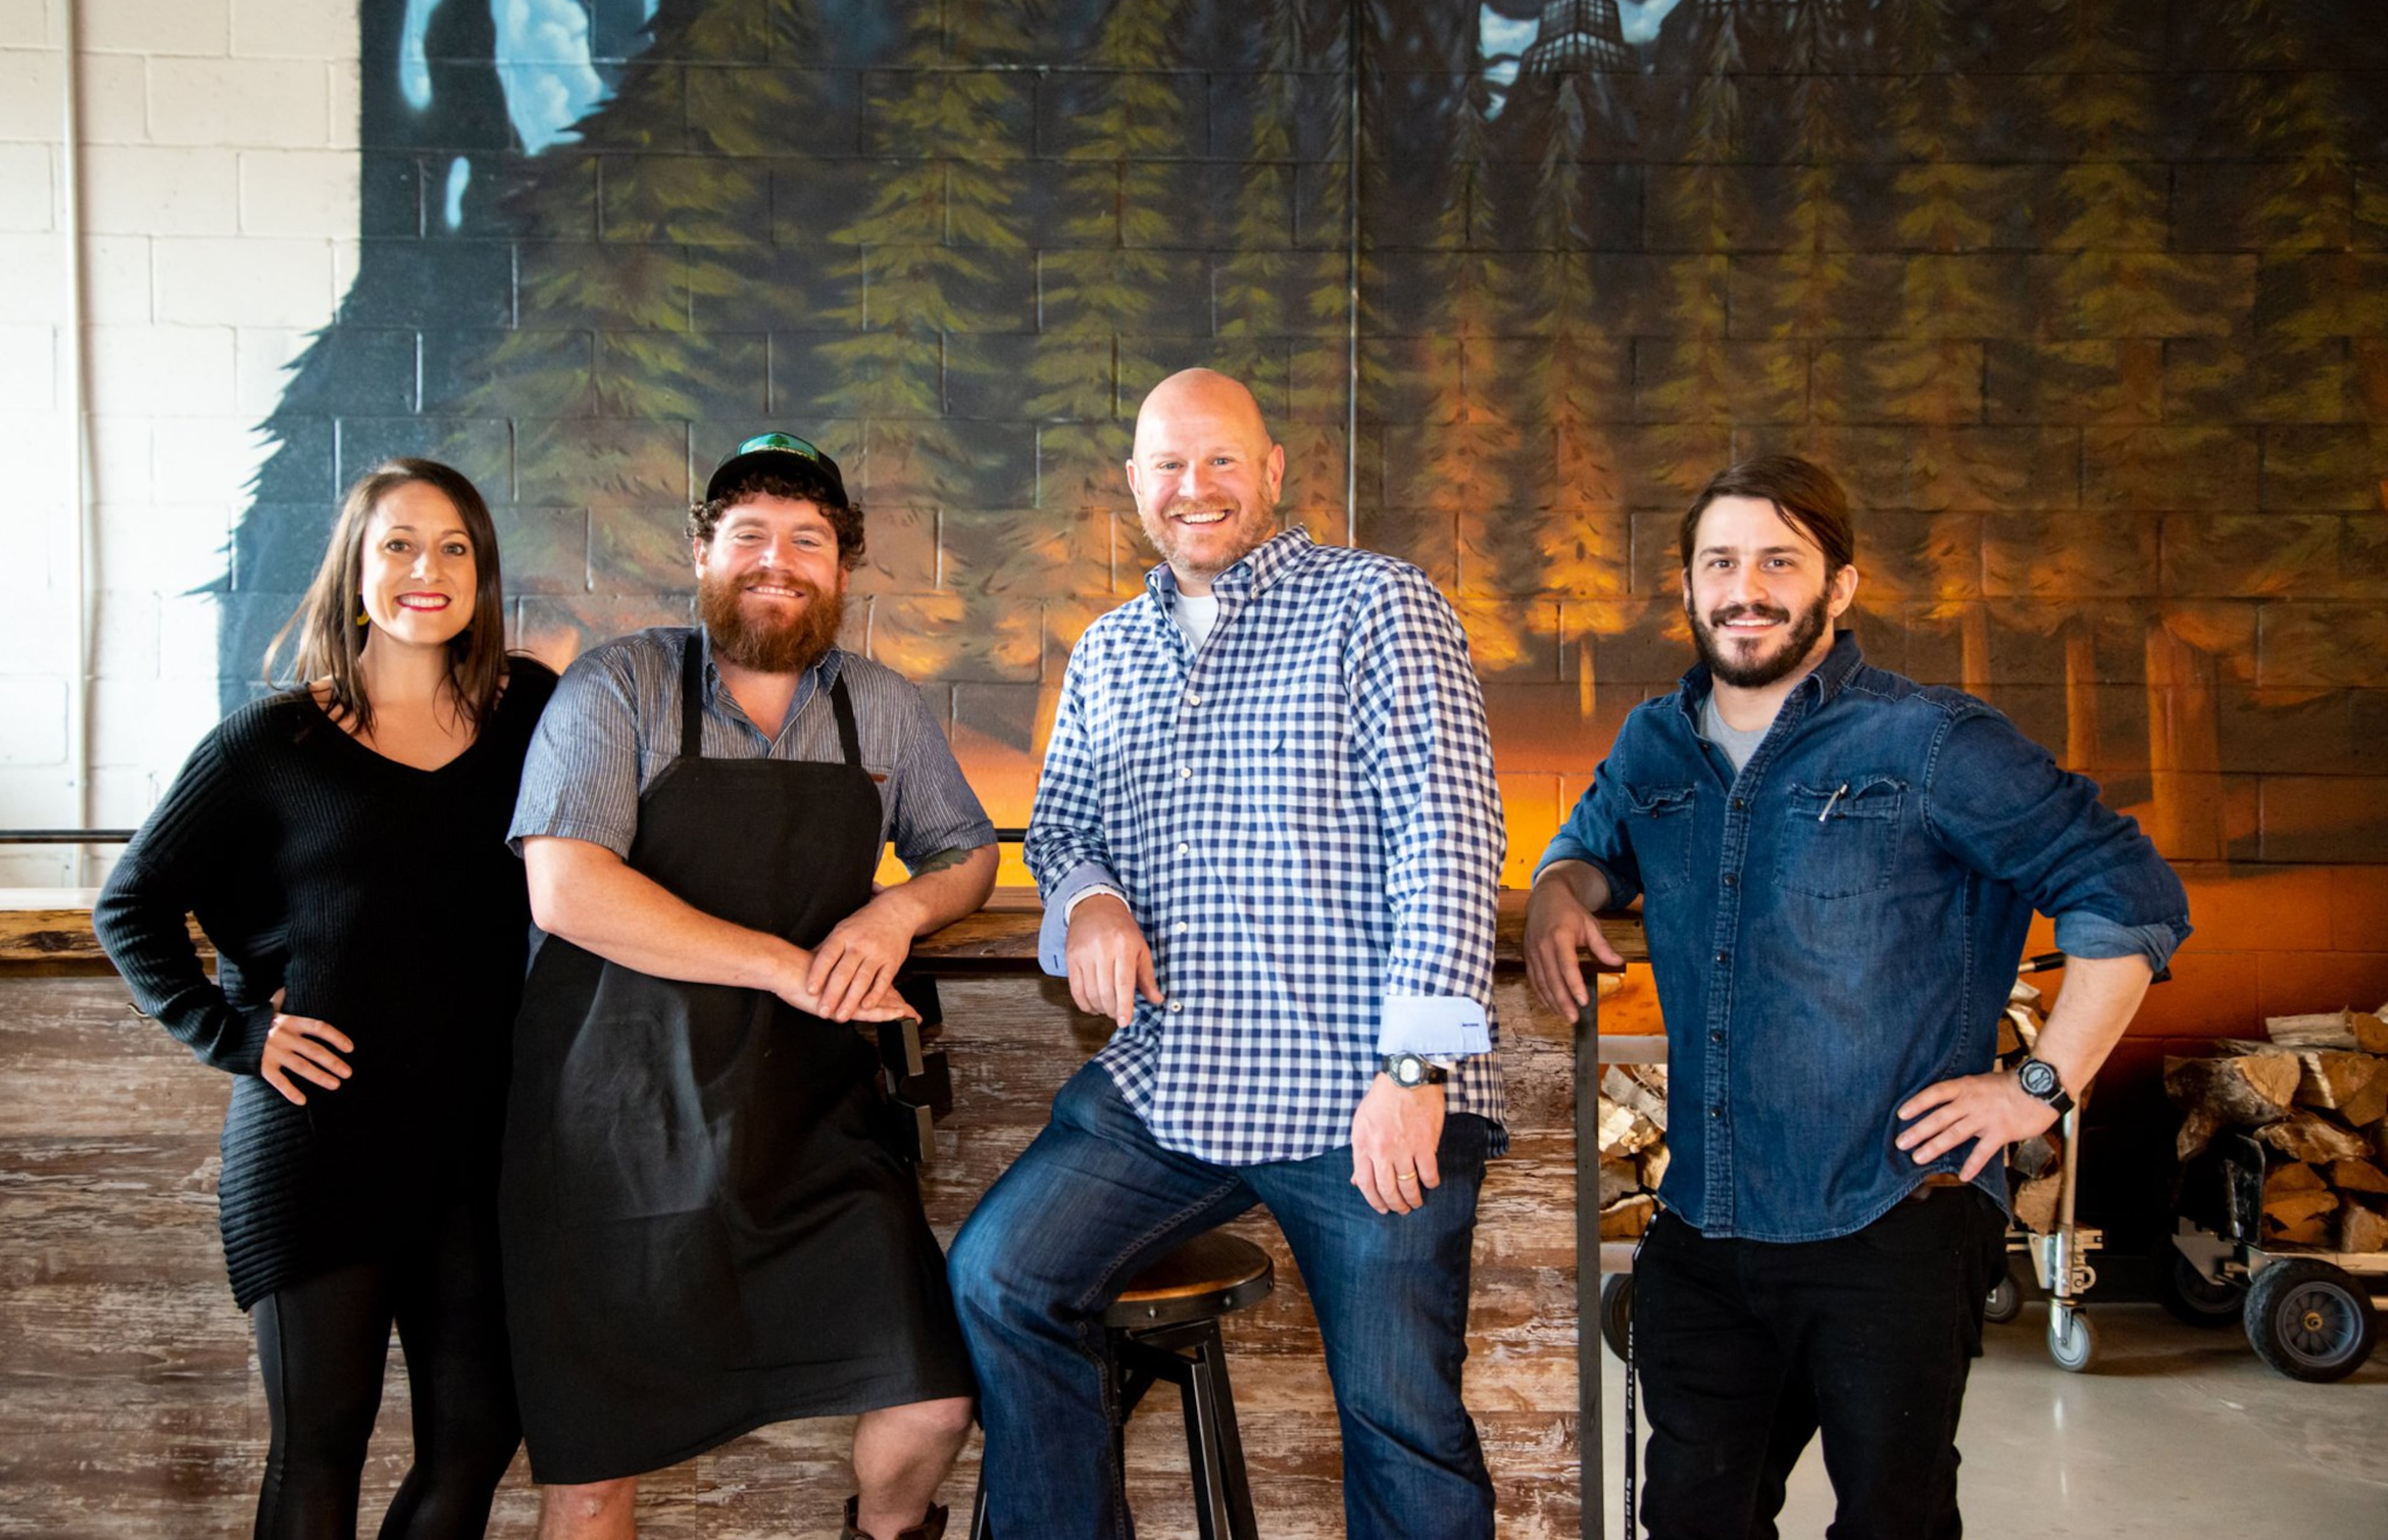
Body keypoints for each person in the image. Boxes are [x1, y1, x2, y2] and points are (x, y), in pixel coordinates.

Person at [1524, 454, 2191, 1539]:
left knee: (1894, 1522)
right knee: (1692, 1521)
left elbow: (2129, 891)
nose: (1748, 589)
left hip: (1890, 1226)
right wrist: (1563, 887)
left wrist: (2037, 1086)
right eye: (1721, 562)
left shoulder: (1931, 742)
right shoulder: (1655, 740)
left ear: (1839, 587)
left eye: (1780, 562)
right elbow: (1590, 842)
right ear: (1688, 587)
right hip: (1707, 1222)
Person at [948, 368, 1508, 1540]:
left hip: (1364, 1093)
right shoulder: (1110, 650)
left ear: (1272, 473)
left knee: (1401, 1417)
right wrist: (1090, 898)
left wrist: (1417, 1076)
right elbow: (1061, 826)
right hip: (1175, 1079)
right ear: (1134, 486)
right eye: (1166, 465)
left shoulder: (1379, 604)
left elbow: (1451, 835)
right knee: (1000, 1279)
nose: (1192, 488)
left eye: (1218, 461)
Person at [500, 433, 997, 1540]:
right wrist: (786, 964)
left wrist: (896, 910)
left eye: (807, 541)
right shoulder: (616, 685)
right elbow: (567, 890)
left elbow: (966, 852)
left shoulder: (882, 706)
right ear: (702, 553)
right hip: (613, 1130)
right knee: (594, 1473)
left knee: (932, 1400)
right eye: (751, 536)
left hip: (812, 1121)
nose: (779, 561)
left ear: (842, 567)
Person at [95, 458, 556, 1539]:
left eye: (454, 548)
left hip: (479, 1155)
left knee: (479, 1438)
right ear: (355, 567)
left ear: (482, 575)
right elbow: (134, 907)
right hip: (318, 1144)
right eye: (397, 544)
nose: (425, 571)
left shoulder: (532, 709)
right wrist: (237, 1032)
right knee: (320, 1447)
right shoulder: (272, 743)